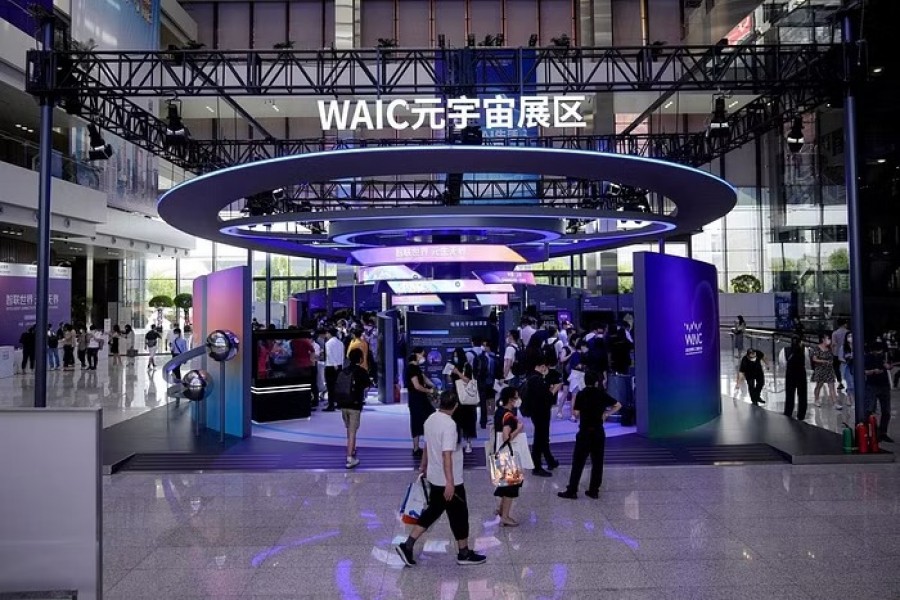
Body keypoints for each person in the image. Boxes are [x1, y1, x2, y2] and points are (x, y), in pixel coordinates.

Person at [394, 390, 486, 567]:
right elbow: (447, 455)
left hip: (435, 477)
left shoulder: (431, 419)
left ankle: (408, 545)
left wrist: (423, 466)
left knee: (433, 512)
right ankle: (464, 553)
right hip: (449, 481)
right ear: (456, 406)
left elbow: (427, 445)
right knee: (459, 515)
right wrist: (450, 483)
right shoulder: (449, 425)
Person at [558, 371, 621, 500]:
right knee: (597, 462)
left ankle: (572, 490)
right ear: (596, 382)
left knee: (578, 462)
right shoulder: (601, 394)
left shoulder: (581, 394)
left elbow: (575, 413)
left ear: (584, 381)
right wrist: (606, 413)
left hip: (584, 432)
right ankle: (594, 490)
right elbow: (618, 405)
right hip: (598, 432)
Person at [493, 386, 525, 526]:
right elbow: (507, 437)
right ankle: (505, 516)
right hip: (508, 455)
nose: (518, 400)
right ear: (511, 399)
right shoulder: (508, 416)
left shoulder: (499, 412)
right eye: (516, 397)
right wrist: (518, 429)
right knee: (511, 487)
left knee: (505, 485)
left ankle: (501, 510)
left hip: (500, 453)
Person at [524, 358, 560, 477]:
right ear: (541, 366)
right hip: (540, 412)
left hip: (537, 412)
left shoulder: (532, 377)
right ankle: (537, 466)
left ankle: (550, 461)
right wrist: (554, 389)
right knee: (540, 438)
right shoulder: (537, 380)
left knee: (542, 437)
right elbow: (547, 396)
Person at [337, 348, 370, 468]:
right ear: (360, 358)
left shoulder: (344, 371)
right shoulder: (361, 371)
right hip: (355, 405)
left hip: (343, 404)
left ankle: (352, 448)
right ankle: (350, 457)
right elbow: (366, 386)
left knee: (349, 429)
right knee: (352, 431)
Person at [406, 347, 436, 458]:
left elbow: (424, 379)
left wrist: (434, 386)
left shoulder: (416, 368)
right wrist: (429, 390)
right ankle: (416, 448)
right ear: (416, 355)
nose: (423, 357)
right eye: (422, 355)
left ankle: (422, 446)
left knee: (427, 419)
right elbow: (417, 386)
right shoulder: (412, 368)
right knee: (417, 422)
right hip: (416, 399)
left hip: (421, 399)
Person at [864, 342, 894, 443]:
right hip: (872, 385)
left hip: (884, 385)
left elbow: (890, 366)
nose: (880, 353)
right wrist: (873, 371)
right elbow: (863, 371)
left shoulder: (885, 357)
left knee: (886, 411)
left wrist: (888, 365)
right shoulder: (867, 357)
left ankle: (883, 432)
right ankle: (874, 431)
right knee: (870, 409)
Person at [811, 332, 839, 409]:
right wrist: (824, 361)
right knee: (819, 385)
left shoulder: (829, 349)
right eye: (828, 338)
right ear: (823, 339)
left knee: (832, 386)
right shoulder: (817, 348)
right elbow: (814, 359)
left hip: (829, 370)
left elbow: (832, 357)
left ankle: (835, 403)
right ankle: (816, 399)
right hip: (820, 370)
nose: (829, 340)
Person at [783, 336, 808, 420]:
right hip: (801, 373)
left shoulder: (785, 350)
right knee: (802, 395)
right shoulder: (805, 350)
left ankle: (788, 412)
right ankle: (801, 414)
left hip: (790, 373)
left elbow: (782, 362)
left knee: (789, 394)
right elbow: (807, 361)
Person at [323, 328, 345, 412]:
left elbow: (329, 354)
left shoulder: (328, 343)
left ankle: (331, 405)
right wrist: (340, 365)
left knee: (330, 387)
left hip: (330, 366)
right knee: (338, 386)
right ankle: (339, 404)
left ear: (329, 333)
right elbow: (342, 355)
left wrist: (334, 364)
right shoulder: (340, 343)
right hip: (339, 366)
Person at [831, 320, 849, 390]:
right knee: (848, 368)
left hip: (837, 353)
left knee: (836, 368)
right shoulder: (848, 332)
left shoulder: (835, 333)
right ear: (845, 324)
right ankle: (848, 383)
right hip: (847, 353)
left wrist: (833, 352)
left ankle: (840, 382)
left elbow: (833, 344)